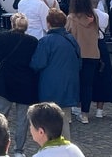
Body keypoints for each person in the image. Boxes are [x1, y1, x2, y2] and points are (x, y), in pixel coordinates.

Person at [0, 13, 38, 157]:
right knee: (22, 120)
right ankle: (19, 150)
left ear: (12, 24)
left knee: (0, 116)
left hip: (4, 81)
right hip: (25, 83)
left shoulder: (2, 38)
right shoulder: (33, 41)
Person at [30, 9, 80, 140]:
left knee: (49, 121)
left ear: (48, 23)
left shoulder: (46, 41)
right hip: (69, 84)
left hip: (50, 86)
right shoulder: (71, 40)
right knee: (64, 120)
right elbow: (79, 62)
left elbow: (38, 63)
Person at [65, 0, 100, 125]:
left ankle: (74, 107)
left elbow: (67, 33)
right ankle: (84, 114)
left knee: (75, 83)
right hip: (92, 54)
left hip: (77, 55)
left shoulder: (72, 18)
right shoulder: (94, 16)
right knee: (87, 85)